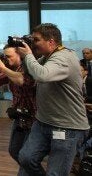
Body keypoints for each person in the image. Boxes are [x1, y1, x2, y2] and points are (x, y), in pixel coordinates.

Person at [16, 23, 89, 175]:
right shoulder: (48, 57)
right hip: (43, 122)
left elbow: (42, 75)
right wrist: (24, 56)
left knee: (55, 173)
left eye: (36, 40)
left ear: (51, 41)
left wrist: (28, 55)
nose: (33, 43)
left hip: (67, 127)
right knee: (26, 158)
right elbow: (31, 74)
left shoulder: (64, 57)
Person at [0, 45, 36, 164]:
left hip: (34, 117)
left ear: (20, 55)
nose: (6, 59)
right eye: (5, 56)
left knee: (26, 154)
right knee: (14, 150)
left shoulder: (28, 68)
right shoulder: (10, 70)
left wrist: (3, 68)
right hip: (19, 115)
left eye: (9, 56)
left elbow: (21, 80)